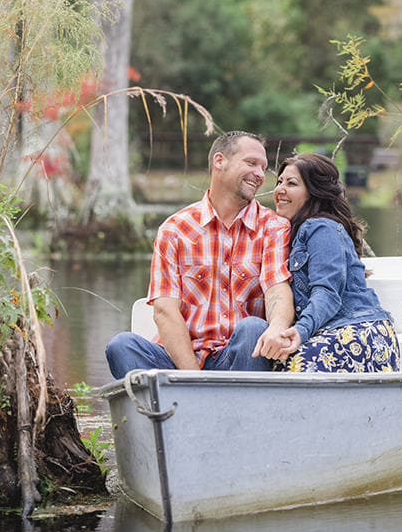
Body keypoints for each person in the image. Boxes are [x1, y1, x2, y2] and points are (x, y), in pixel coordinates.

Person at [105, 131, 297, 379]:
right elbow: (165, 310)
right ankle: (181, 410)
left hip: (239, 359)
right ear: (220, 161)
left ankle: (241, 414)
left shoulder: (273, 227)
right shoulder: (175, 229)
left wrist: (278, 327)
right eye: (251, 163)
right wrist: (193, 379)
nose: (260, 174)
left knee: (253, 329)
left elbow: (276, 291)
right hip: (181, 362)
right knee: (121, 346)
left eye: (263, 167)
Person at [254, 152, 400, 373]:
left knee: (292, 366)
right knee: (274, 358)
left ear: (314, 193)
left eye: (292, 183)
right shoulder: (292, 233)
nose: (280, 190)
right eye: (280, 181)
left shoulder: (321, 228)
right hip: (334, 333)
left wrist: (301, 330)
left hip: (357, 333)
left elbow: (327, 293)